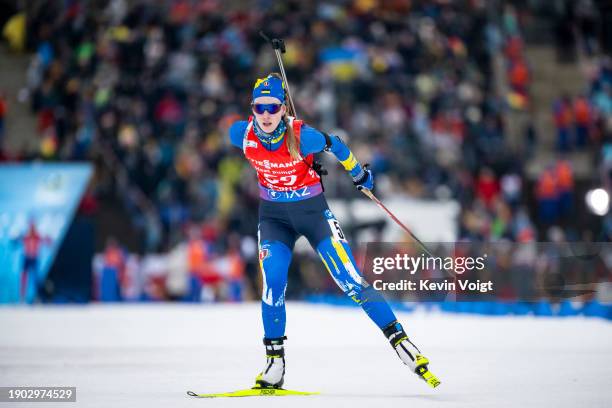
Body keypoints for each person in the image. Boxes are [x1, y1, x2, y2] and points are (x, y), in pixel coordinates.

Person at [228, 74, 437, 389]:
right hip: (274, 218)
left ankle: (402, 343)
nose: (267, 115)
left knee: (351, 281)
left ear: (283, 108)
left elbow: (336, 145)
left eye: (273, 107)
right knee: (272, 284)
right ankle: (275, 363)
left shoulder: (303, 136)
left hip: (313, 214)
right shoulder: (240, 135)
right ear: (252, 110)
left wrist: (359, 174)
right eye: (261, 108)